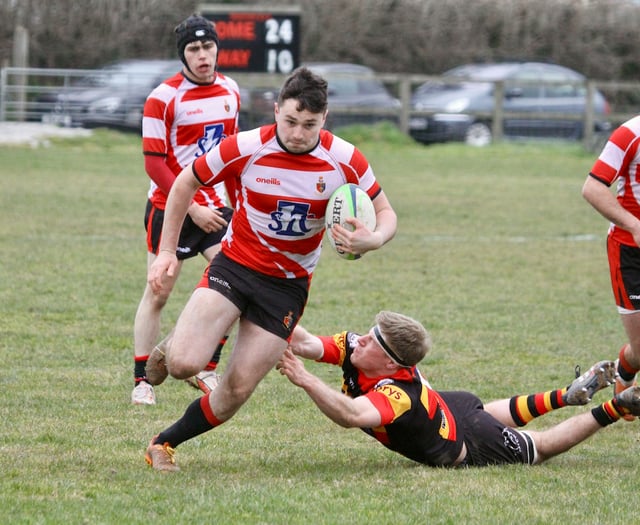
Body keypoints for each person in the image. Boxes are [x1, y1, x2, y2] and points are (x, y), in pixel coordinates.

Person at [142, 66, 398, 470]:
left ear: (324, 119)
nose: (297, 133)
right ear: (276, 110)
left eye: (309, 125)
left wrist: (375, 238)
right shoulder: (245, 147)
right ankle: (173, 344)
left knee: (237, 389)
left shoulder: (344, 159)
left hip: (286, 288)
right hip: (236, 266)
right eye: (290, 121)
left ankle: (163, 443)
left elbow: (386, 213)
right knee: (184, 365)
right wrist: (167, 252)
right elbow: (184, 183)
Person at [276, 311, 640, 467]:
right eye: (370, 333)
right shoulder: (361, 351)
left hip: (467, 442)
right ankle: (566, 395)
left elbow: (352, 416)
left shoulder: (396, 395)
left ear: (391, 364)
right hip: (454, 408)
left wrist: (305, 378)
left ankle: (616, 406)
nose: (360, 339)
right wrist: (268, 310)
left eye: (372, 340)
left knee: (540, 449)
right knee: (488, 415)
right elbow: (306, 342)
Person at [131, 14, 241, 405]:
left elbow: (230, 157)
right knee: (158, 292)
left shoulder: (230, 90)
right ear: (183, 55)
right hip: (169, 209)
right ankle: (142, 379)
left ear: (216, 48)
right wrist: (191, 207)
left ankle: (206, 367)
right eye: (193, 49)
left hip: (215, 209)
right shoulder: (163, 98)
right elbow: (155, 164)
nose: (202, 55)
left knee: (239, 289)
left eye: (207, 46)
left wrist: (238, 202)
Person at [582, 115, 640, 421]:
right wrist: (634, 225)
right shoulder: (630, 133)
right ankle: (625, 374)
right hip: (630, 252)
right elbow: (592, 188)